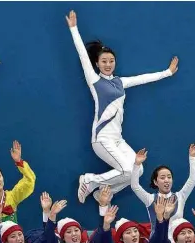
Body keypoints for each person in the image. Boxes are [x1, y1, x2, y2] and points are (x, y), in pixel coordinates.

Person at [64, 10, 179, 203]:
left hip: (118, 139)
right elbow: (83, 55)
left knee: (138, 169)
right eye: (104, 61)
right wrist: (74, 29)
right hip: (102, 140)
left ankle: (102, 194)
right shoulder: (95, 82)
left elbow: (143, 78)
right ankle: (90, 180)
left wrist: (167, 72)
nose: (108, 64)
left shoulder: (119, 82)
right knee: (127, 170)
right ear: (97, 64)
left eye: (111, 61)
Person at [131, 143, 195, 225]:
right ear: (156, 182)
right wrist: (137, 164)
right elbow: (134, 186)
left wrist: (192, 157)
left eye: (169, 177)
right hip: (157, 238)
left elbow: (192, 179)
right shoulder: (150, 199)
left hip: (177, 238)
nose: (166, 180)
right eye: (162, 177)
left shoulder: (180, 197)